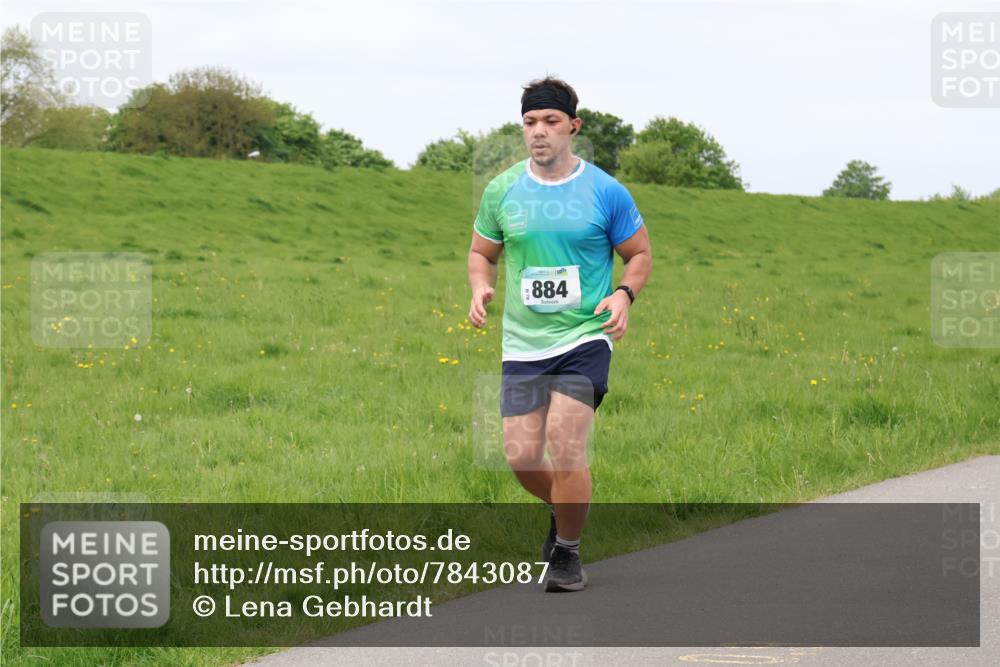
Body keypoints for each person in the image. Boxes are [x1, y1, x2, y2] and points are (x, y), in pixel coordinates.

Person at [467, 76, 652, 592]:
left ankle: (567, 554)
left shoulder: (604, 191)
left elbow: (638, 253)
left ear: (574, 126)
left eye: (550, 121)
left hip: (584, 336)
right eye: (530, 122)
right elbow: (483, 253)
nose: (539, 132)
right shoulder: (502, 190)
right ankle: (564, 509)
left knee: (566, 443)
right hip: (523, 343)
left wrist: (623, 295)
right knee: (522, 458)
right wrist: (480, 287)